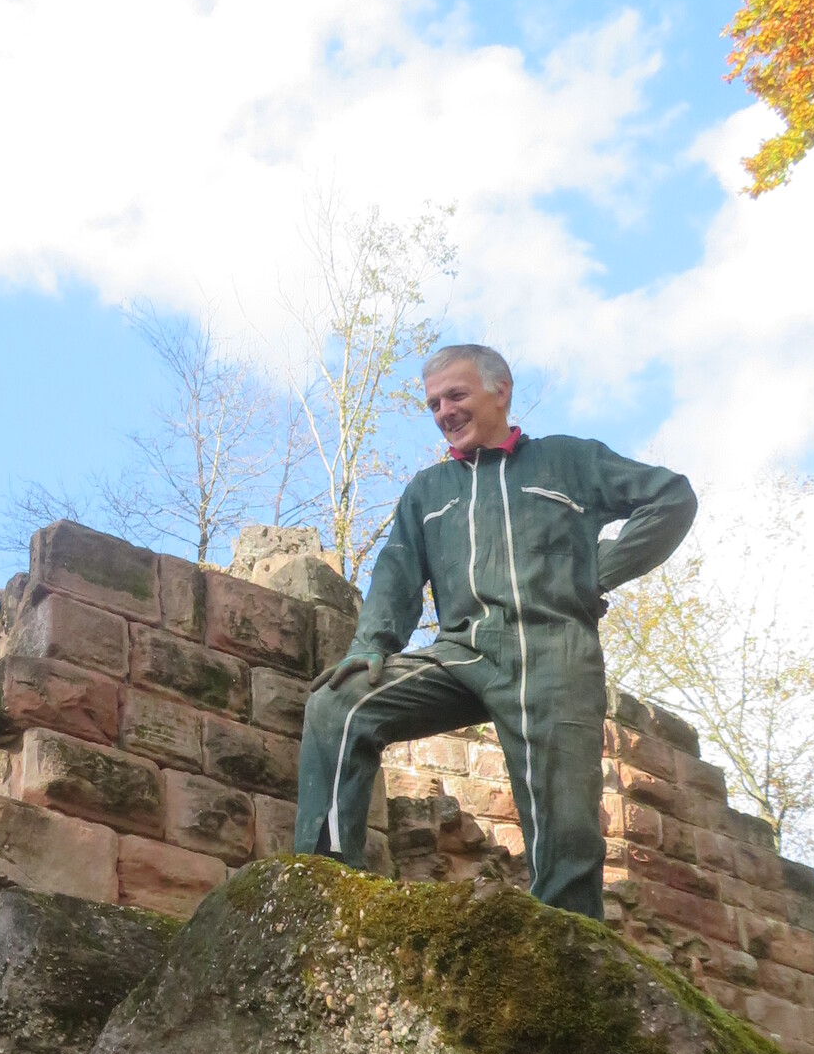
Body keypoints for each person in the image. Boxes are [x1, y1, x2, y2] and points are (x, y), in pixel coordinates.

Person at [295, 344, 696, 920]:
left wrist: (597, 573)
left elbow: (670, 496)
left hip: (553, 654)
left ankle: (568, 947)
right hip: (461, 652)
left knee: (566, 830)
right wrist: (370, 645)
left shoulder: (568, 461)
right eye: (434, 404)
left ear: (500, 390)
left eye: (455, 395)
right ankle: (323, 891)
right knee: (338, 702)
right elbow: (396, 572)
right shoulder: (428, 491)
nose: (444, 412)